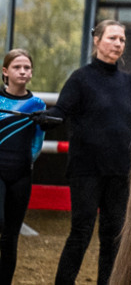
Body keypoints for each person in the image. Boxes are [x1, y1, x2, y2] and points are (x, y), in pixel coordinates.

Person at [36, 20, 131, 285]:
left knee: (112, 237)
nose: (118, 44)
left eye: (122, 39)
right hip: (86, 171)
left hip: (121, 171)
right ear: (97, 41)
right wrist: (47, 118)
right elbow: (60, 112)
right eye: (112, 38)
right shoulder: (80, 79)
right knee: (81, 232)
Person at [0, 49, 46, 285]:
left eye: (27, 67)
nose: (23, 71)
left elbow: (37, 142)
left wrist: (26, 162)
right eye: (17, 67)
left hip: (21, 174)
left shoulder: (36, 104)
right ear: (5, 72)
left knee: (11, 236)